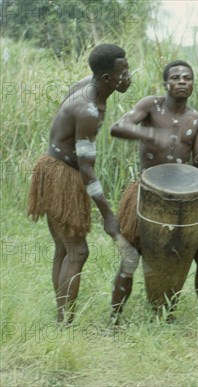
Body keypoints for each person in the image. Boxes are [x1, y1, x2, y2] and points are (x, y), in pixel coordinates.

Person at [27, 44, 132, 324]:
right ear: (107, 78)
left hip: (52, 167)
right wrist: (108, 215)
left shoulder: (91, 84)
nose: (129, 77)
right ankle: (65, 324)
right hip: (63, 175)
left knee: (64, 248)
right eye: (124, 73)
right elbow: (86, 167)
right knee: (78, 250)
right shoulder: (88, 110)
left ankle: (62, 317)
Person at [108, 60, 198, 320]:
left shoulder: (197, 119)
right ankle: (114, 318)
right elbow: (117, 128)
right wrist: (152, 135)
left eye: (187, 78)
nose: (181, 81)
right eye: (176, 77)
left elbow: (197, 167)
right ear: (166, 83)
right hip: (147, 191)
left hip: (183, 198)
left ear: (192, 84)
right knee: (131, 257)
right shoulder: (150, 106)